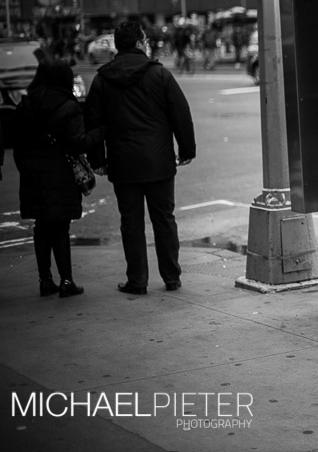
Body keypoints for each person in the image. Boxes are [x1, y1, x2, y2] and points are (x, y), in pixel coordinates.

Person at [85, 20, 196, 295]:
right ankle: (171, 276)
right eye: (144, 40)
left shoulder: (102, 80)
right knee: (164, 219)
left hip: (123, 164)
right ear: (138, 43)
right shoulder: (160, 75)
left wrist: (97, 160)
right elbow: (180, 114)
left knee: (131, 223)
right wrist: (186, 150)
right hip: (158, 162)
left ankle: (137, 280)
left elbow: (93, 122)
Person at [13, 59, 104, 298]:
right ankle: (66, 280)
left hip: (33, 175)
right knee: (60, 227)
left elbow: (17, 146)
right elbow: (79, 142)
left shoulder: (25, 106)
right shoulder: (68, 106)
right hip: (60, 174)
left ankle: (45, 280)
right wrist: (99, 132)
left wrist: (27, 169)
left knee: (41, 227)